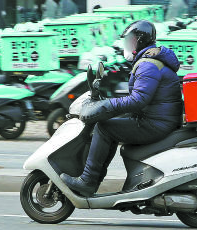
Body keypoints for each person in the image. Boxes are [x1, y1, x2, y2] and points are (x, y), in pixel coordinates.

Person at [60, 20, 183, 197]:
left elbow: (138, 100)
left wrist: (106, 105)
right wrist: (109, 105)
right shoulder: (151, 59)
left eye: (130, 40)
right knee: (110, 124)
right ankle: (93, 179)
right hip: (159, 119)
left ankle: (88, 180)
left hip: (156, 123)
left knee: (104, 128)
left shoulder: (148, 64)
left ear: (140, 40)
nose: (127, 44)